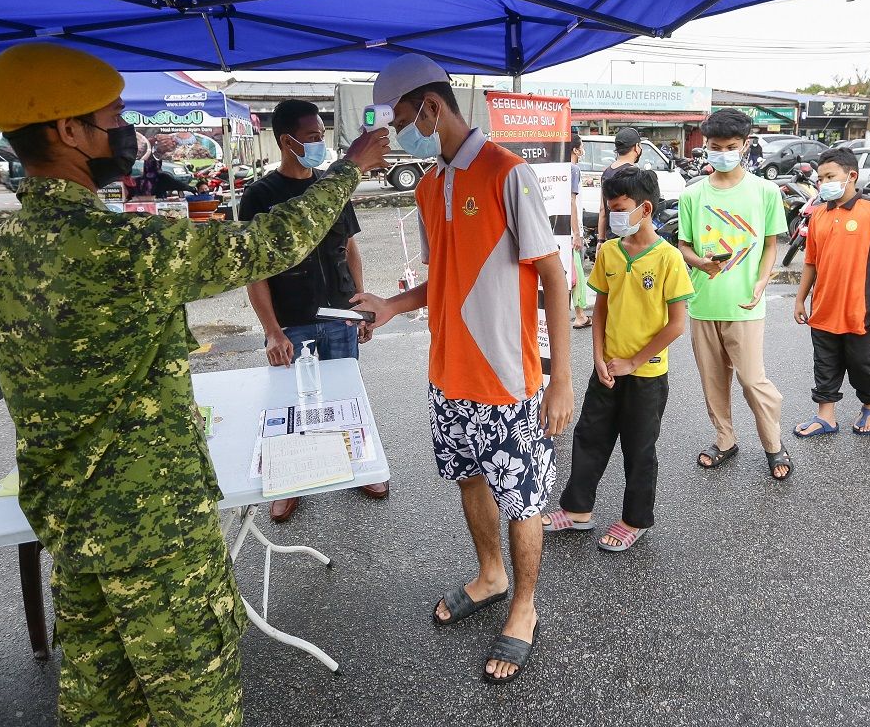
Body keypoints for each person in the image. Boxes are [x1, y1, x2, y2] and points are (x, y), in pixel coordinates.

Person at [0, 43, 388, 726]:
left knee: (101, 700)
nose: (127, 132)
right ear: (68, 131)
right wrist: (345, 171)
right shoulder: (113, 246)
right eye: (114, 117)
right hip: (151, 525)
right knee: (195, 700)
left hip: (73, 524)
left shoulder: (4, 252)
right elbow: (261, 248)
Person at [351, 54, 573, 684]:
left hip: (507, 381)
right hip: (447, 376)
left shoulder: (509, 173)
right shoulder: (427, 185)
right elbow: (440, 280)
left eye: (400, 120)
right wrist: (393, 304)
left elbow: (553, 281)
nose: (396, 134)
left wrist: (560, 379)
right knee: (469, 480)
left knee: (523, 498)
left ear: (431, 107)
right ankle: (491, 573)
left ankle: (524, 605)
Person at [240, 100, 389, 521]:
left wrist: (362, 306)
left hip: (338, 313)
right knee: (289, 404)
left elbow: (351, 250)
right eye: (311, 138)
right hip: (292, 321)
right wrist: (272, 330)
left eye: (322, 137)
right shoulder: (260, 196)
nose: (319, 145)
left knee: (347, 396)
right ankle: (288, 482)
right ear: (286, 141)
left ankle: (359, 466)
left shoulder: (333, 185)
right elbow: (256, 273)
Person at [543, 166, 693, 551]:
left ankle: (634, 519)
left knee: (639, 448)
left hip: (646, 374)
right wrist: (598, 358)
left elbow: (676, 325)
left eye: (618, 208)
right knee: (589, 437)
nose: (611, 218)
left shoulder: (669, 259)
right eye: (608, 210)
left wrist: (633, 361)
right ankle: (577, 510)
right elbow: (601, 311)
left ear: (645, 209)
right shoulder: (609, 252)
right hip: (607, 370)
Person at [677, 108, 792, 479]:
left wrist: (761, 283)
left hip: (745, 304)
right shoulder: (692, 194)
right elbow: (684, 246)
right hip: (703, 303)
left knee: (753, 380)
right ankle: (725, 439)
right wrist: (701, 263)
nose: (722, 152)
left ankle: (773, 444)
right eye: (714, 146)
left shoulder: (765, 191)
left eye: (730, 146)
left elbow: (770, 244)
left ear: (745, 145)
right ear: (705, 147)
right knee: (713, 380)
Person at [793, 148, 870, 437]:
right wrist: (800, 299)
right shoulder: (818, 215)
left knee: (863, 364)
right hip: (824, 308)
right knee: (825, 363)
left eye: (830, 176)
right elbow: (810, 261)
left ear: (851, 175)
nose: (823, 182)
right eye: (820, 178)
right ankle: (826, 416)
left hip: (861, 310)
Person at [599, 127, 642, 240]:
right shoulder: (634, 174)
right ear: (636, 147)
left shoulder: (607, 172)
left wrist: (601, 240)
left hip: (611, 238)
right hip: (630, 240)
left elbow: (603, 210)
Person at [569, 133, 592, 328]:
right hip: (571, 232)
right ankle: (579, 315)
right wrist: (577, 234)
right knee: (576, 274)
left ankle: (579, 314)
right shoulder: (573, 169)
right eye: (581, 146)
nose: (582, 149)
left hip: (560, 230)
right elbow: (572, 202)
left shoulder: (559, 168)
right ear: (575, 149)